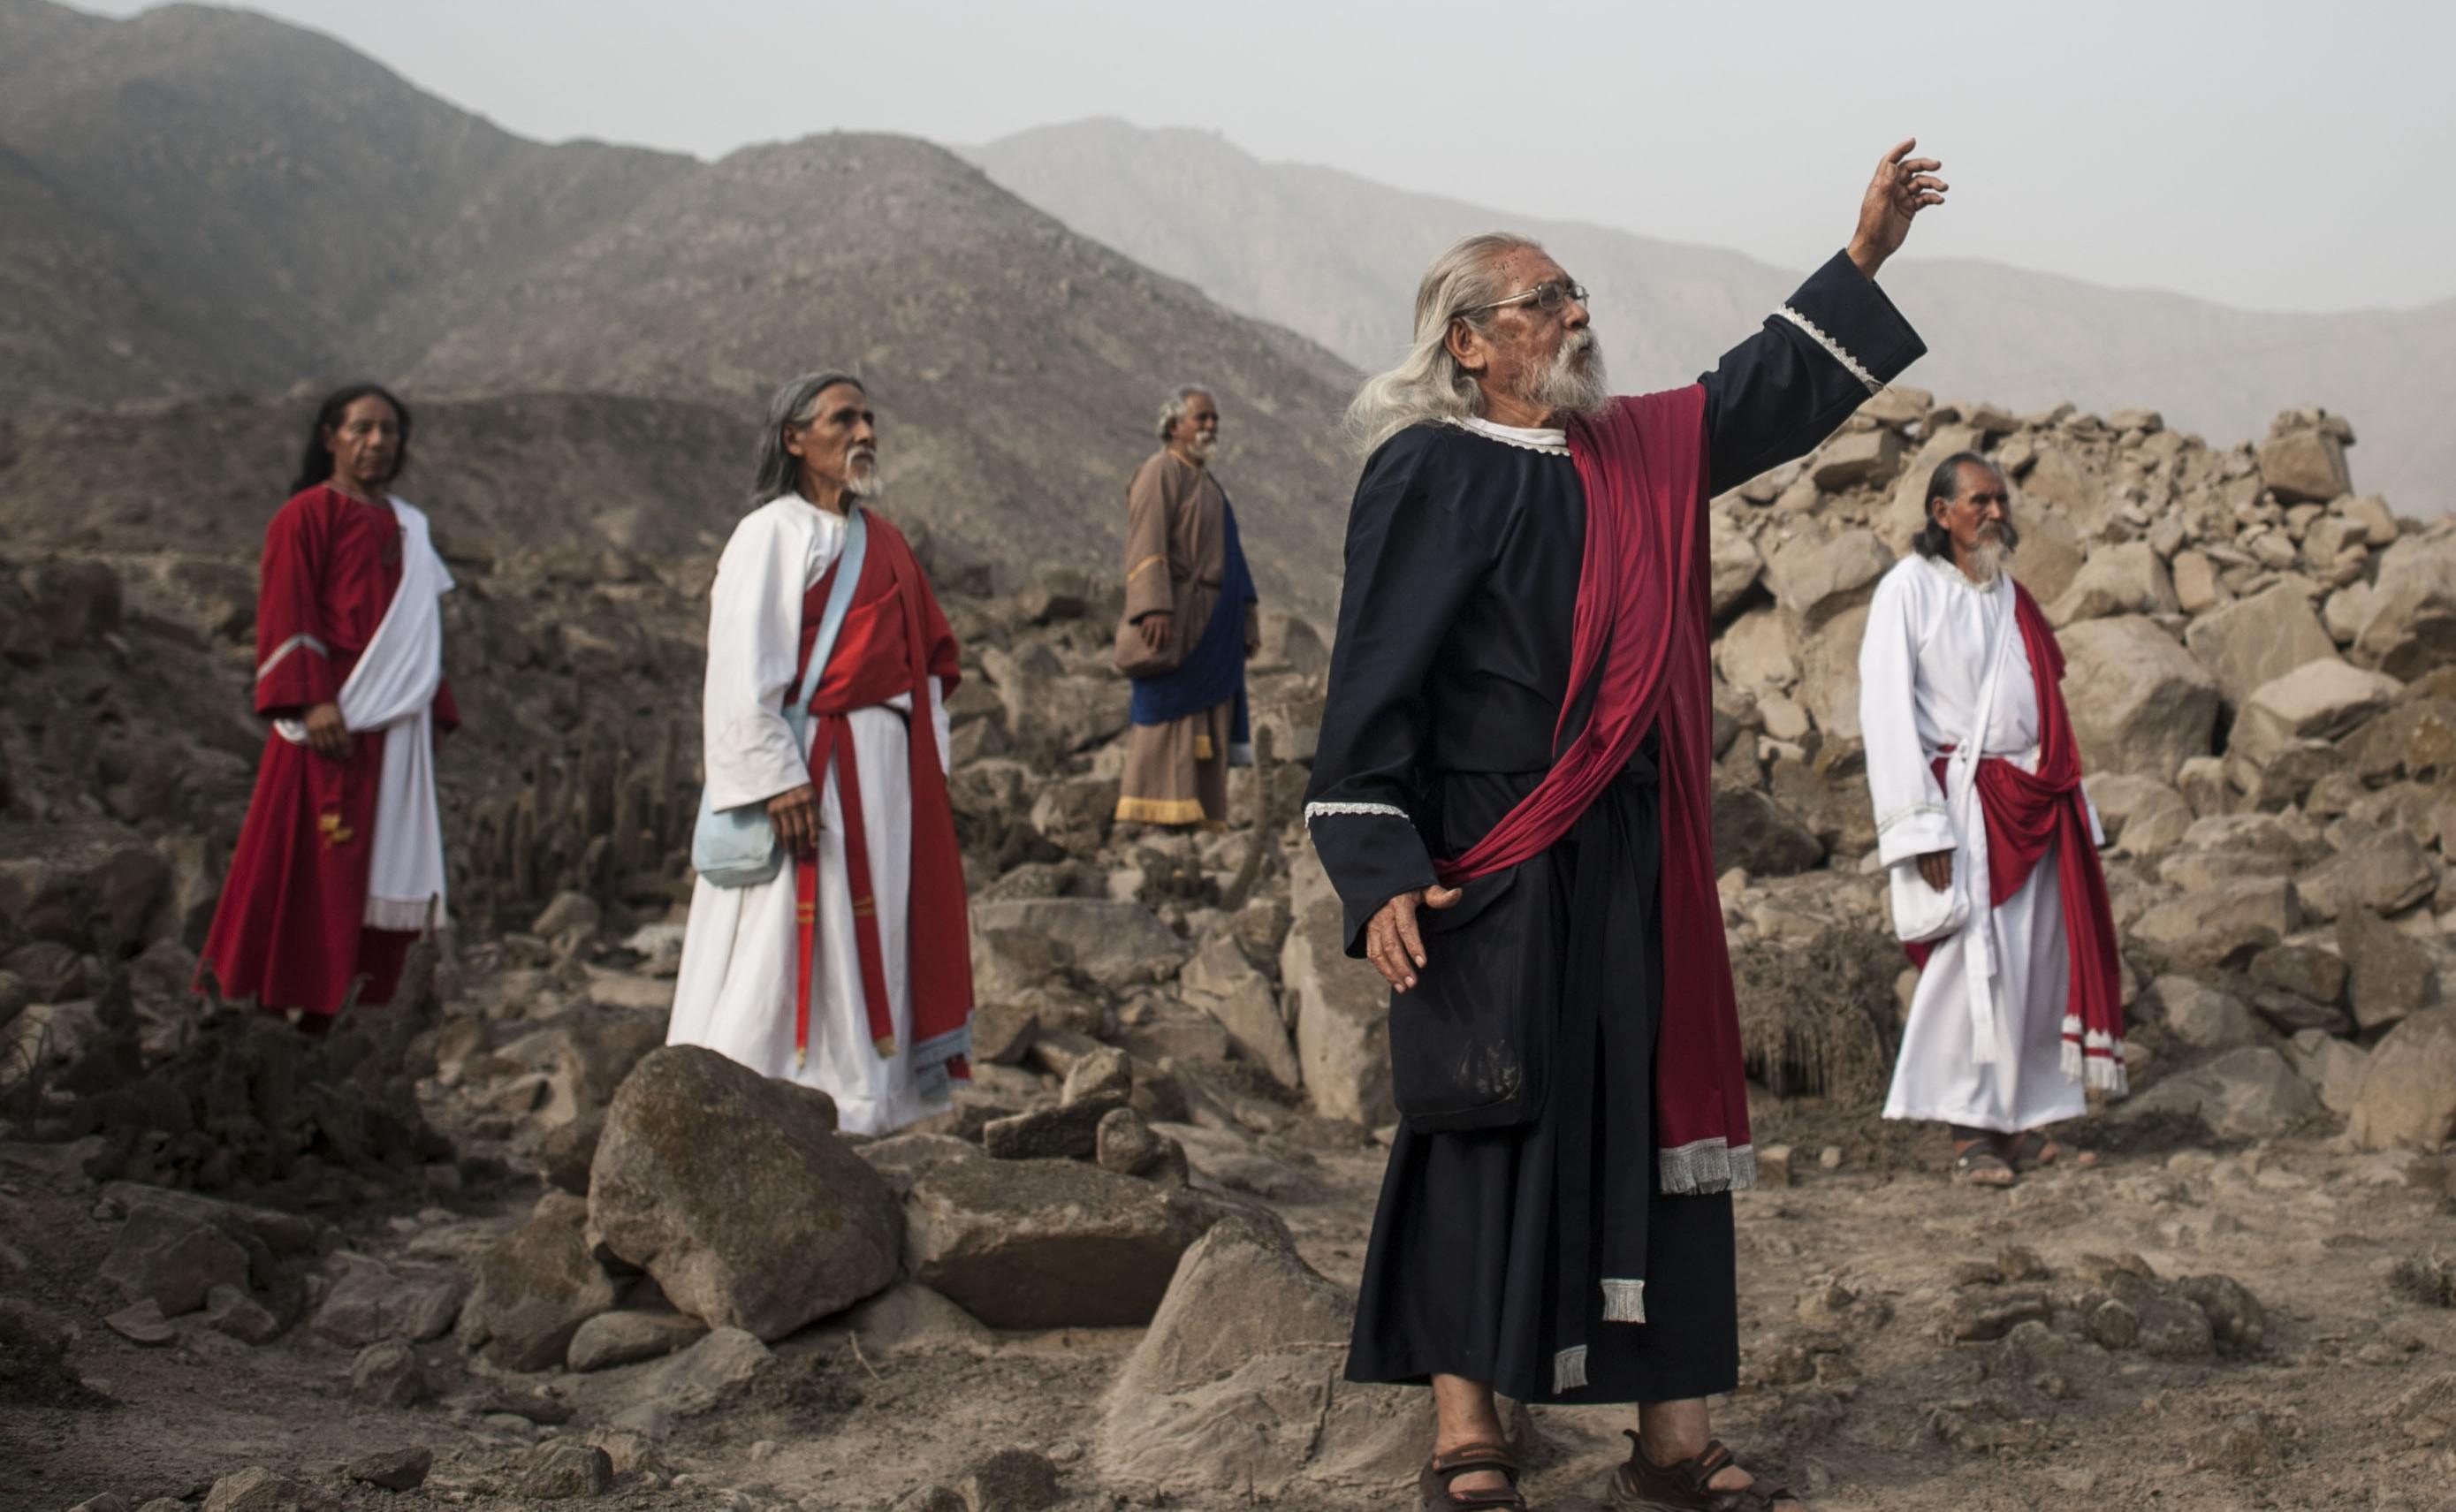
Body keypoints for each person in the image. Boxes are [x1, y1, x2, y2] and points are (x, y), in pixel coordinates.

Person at [1304, 141, 1947, 1512]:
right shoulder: (1425, 469)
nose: (1576, 314)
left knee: (1658, 1126)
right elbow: (1373, 682)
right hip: (1489, 856)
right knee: (1480, 1114)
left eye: (1577, 292)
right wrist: (1378, 870)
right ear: (1471, 341)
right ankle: (1466, 1426)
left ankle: (1669, 1432)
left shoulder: (1629, 451)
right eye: (1546, 299)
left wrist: (1865, 257)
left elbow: (1754, 393)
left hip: (1634, 859)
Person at [666, 372, 974, 1136]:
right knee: (786, 925)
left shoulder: (888, 543)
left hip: (884, 774)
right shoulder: (768, 534)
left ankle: (863, 1099)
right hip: (813, 765)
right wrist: (777, 779)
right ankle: (750, 1092)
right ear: (794, 440)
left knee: (874, 929)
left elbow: (926, 663)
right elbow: (741, 670)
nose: (864, 431)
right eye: (843, 418)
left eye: (869, 417)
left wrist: (926, 769)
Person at [1859, 453, 2125, 1187]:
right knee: (1969, 961)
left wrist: (2073, 802)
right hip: (1961, 809)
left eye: (2001, 500)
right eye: (1979, 500)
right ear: (1941, 513)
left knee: (2037, 961)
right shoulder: (1905, 591)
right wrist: (1918, 830)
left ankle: (2029, 1117)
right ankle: (1969, 1129)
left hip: (2034, 802)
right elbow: (1884, 715)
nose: (1995, 512)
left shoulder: (2014, 597)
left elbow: (2048, 709)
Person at [196, 384, 459, 1030]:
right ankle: (257, 1003)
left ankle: (344, 1008)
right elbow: (289, 608)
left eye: (390, 431)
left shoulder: (408, 525)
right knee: (304, 862)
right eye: (362, 428)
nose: (377, 442)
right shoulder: (306, 515)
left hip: (392, 729)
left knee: (372, 864)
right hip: (329, 724)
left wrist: (431, 708)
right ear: (330, 437)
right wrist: (311, 699)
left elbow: (419, 630)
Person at [1112, 384, 1258, 830]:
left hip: (1214, 617)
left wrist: (1245, 617)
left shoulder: (1209, 486)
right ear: (1174, 426)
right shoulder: (1159, 472)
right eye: (1202, 418)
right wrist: (1152, 606)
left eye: (1214, 419)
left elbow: (1233, 556)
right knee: (1169, 703)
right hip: (1176, 611)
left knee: (1208, 710)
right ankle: (1150, 811)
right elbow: (1146, 542)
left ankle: (1199, 810)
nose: (1211, 426)